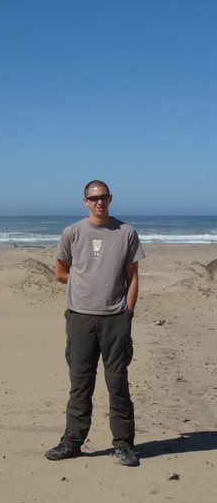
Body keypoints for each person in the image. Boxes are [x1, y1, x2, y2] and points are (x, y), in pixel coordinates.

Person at [45, 180, 144, 466]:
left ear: (110, 199)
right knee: (80, 383)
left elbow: (133, 277)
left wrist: (128, 313)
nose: (99, 201)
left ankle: (123, 445)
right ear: (85, 201)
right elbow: (60, 273)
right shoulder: (72, 232)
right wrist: (85, 283)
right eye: (94, 198)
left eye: (104, 197)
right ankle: (72, 442)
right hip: (80, 318)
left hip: (116, 319)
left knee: (117, 383)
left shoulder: (126, 232)